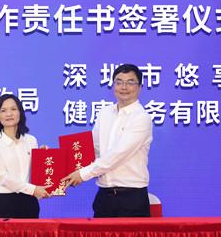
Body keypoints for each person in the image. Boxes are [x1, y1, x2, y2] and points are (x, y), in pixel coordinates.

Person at [62, 63, 153, 217]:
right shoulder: (105, 113)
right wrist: (60, 161)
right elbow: (93, 148)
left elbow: (117, 155)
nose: (124, 87)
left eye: (130, 82)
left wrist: (83, 174)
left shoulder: (141, 118)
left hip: (131, 199)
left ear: (140, 87)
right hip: (104, 197)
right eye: (119, 82)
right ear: (113, 85)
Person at [0, 94, 50, 218]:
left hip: (29, 201)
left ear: (20, 113)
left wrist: (44, 157)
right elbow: (3, 178)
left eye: (13, 109)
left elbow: (36, 171)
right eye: (3, 111)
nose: (9, 114)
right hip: (3, 202)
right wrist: (33, 190)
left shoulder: (31, 140)